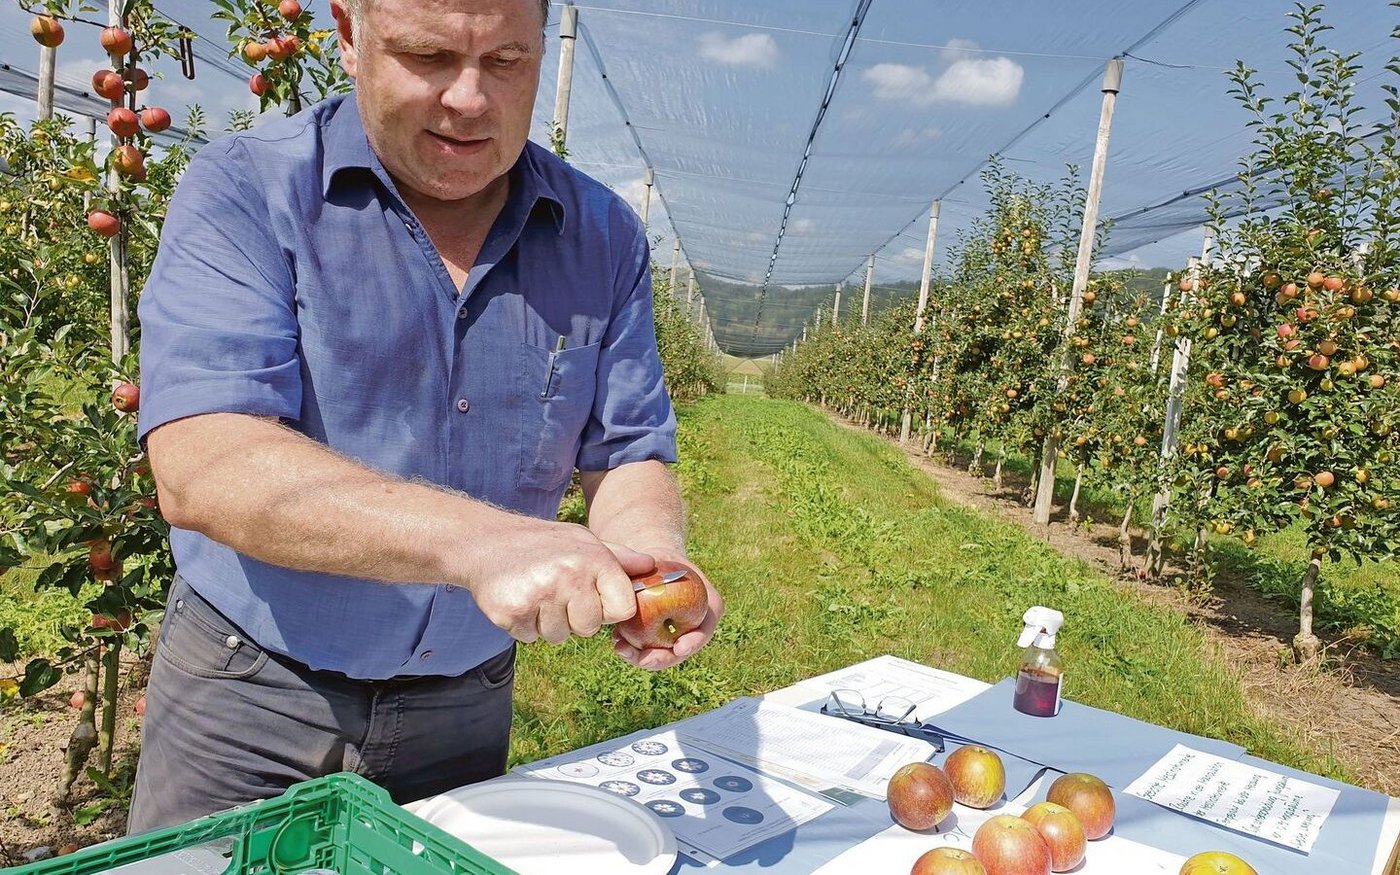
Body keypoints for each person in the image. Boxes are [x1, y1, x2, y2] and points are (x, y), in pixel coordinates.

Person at [126, 0, 721, 832]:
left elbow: (626, 450)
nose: (470, 99)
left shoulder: (605, 237)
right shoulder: (246, 189)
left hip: (463, 709)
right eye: (428, 55)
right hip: (249, 699)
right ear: (347, 34)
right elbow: (205, 462)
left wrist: (654, 559)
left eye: (506, 62)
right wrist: (485, 543)